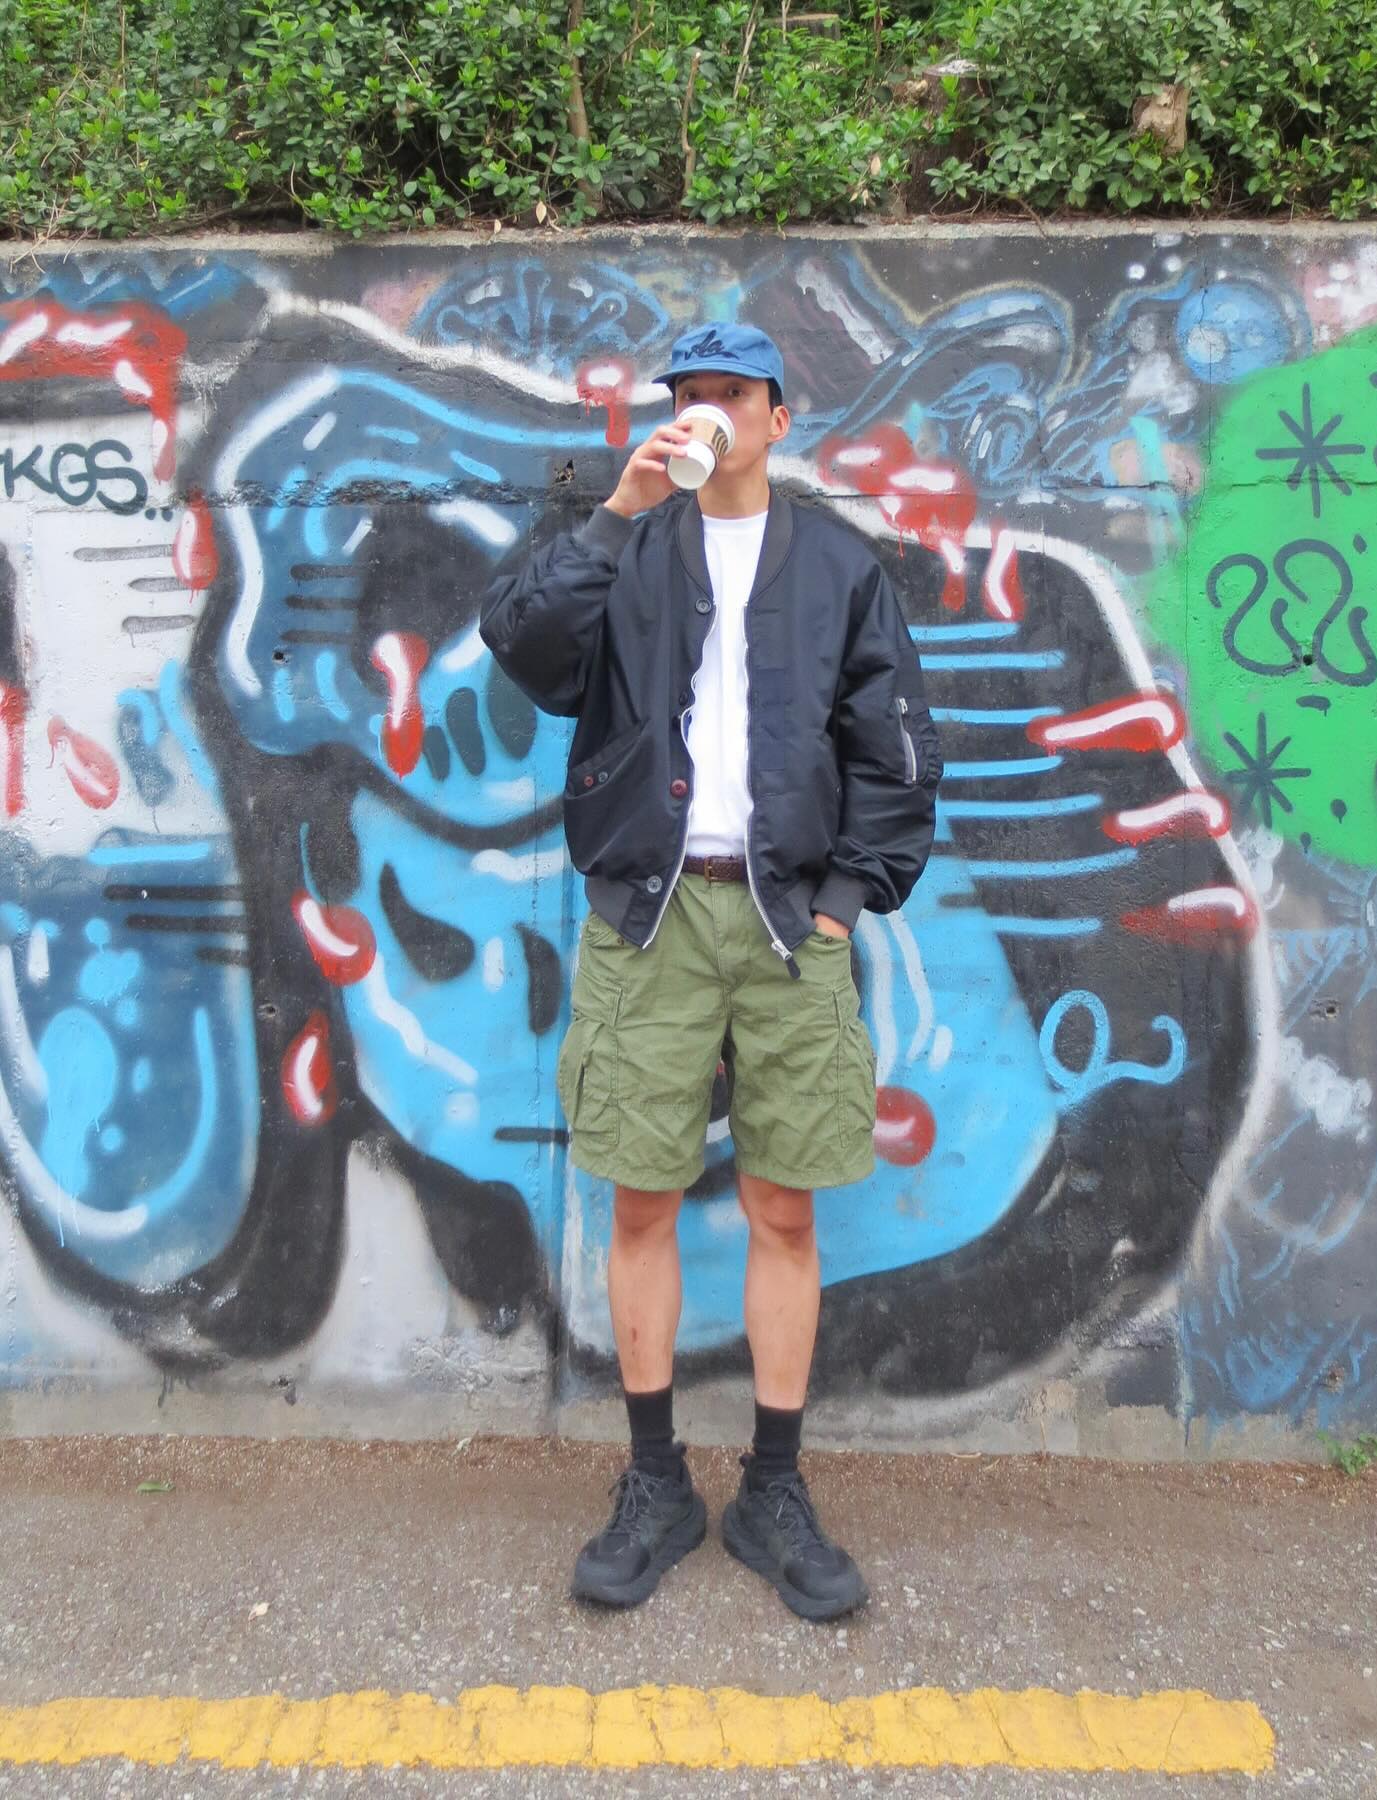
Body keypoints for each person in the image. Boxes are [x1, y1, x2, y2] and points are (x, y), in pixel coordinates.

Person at [479, 322, 939, 1622]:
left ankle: (774, 1489)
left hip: (792, 921)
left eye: (732, 394)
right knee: (641, 1201)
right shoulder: (632, 546)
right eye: (688, 394)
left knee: (786, 1211)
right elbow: (523, 646)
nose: (706, 412)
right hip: (652, 915)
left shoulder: (838, 565)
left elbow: (897, 744)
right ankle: (655, 1481)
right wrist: (617, 512)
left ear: (779, 417)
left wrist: (847, 900)